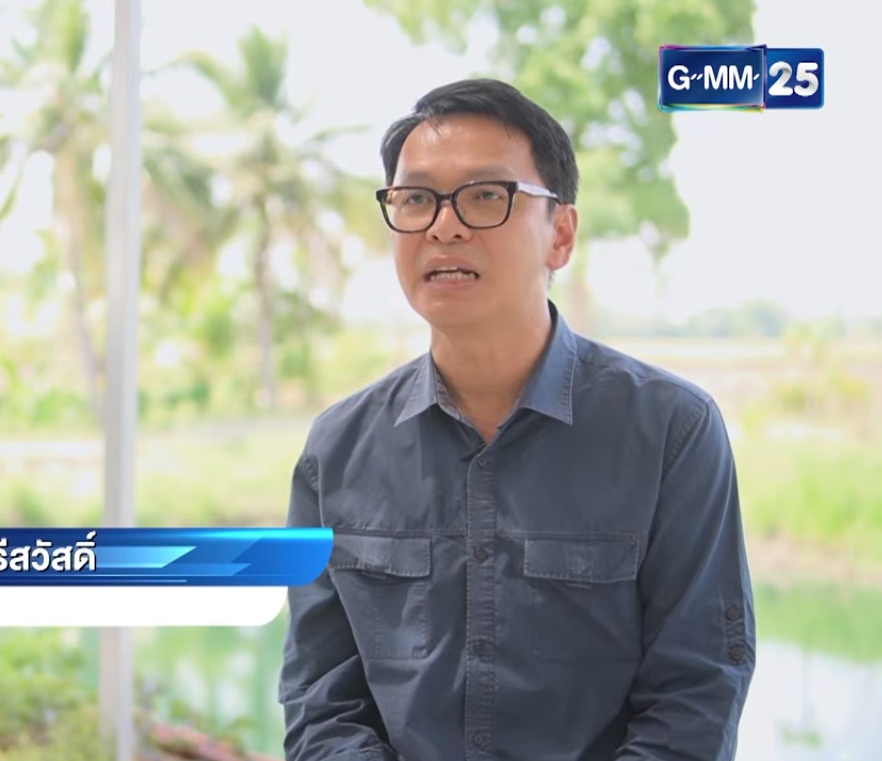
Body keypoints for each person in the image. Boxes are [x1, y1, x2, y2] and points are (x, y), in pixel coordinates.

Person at [277, 78, 756, 761]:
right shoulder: (337, 450)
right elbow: (321, 701)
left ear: (560, 234)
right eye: (416, 199)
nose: (443, 226)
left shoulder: (673, 432)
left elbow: (697, 696)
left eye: (484, 196)